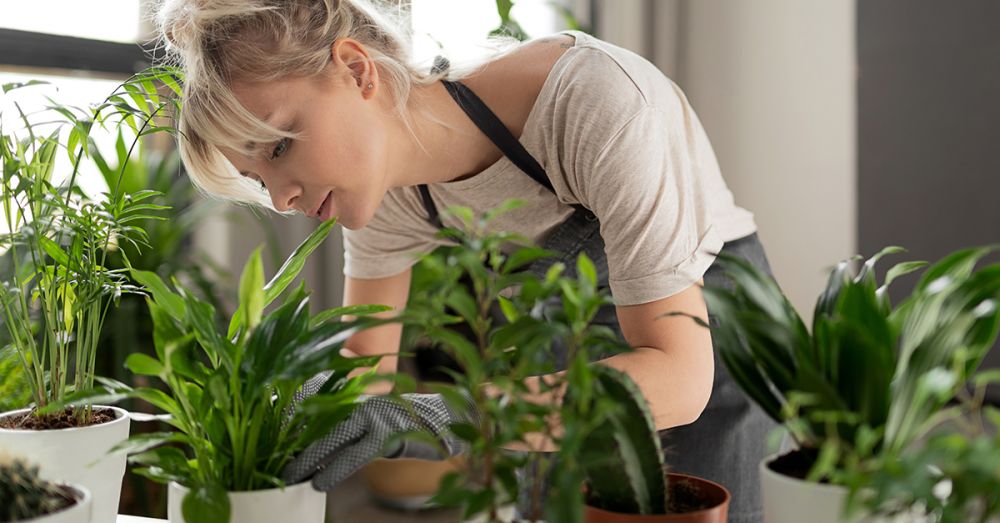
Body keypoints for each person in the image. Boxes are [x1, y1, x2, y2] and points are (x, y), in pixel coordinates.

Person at [156, 0, 777, 521]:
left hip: (700, 344)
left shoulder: (594, 103)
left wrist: (455, 414)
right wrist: (286, 411)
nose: (284, 198)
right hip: (565, 351)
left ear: (355, 69)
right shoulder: (385, 194)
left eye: (281, 144)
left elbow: (678, 376)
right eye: (258, 179)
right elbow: (366, 374)